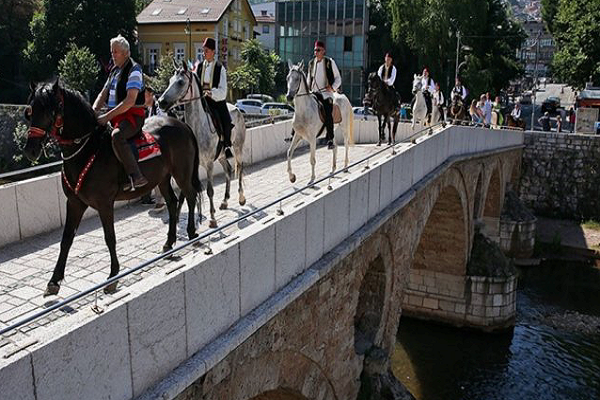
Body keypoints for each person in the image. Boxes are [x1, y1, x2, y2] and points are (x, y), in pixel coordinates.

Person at [93, 34, 147, 192]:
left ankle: (136, 176)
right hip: (114, 115)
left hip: (132, 117)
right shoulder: (114, 70)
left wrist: (105, 117)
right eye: (112, 52)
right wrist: (94, 111)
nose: (113, 55)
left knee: (117, 136)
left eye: (115, 52)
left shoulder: (135, 70)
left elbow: (130, 101)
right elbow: (103, 94)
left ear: (126, 53)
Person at [199, 37, 233, 158]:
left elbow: (223, 91)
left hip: (215, 100)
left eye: (206, 50)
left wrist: (211, 93)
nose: (204, 53)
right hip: (201, 101)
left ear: (213, 52)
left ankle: (227, 145)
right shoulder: (199, 66)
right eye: (203, 50)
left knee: (226, 120)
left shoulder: (220, 68)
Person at [307, 40, 342, 150]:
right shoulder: (311, 63)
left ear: (323, 51)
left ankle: (330, 138)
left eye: (318, 50)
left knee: (327, 110)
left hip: (326, 93)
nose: (316, 52)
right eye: (315, 50)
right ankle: (295, 133)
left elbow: (338, 79)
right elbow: (309, 78)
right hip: (314, 93)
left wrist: (332, 88)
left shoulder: (329, 62)